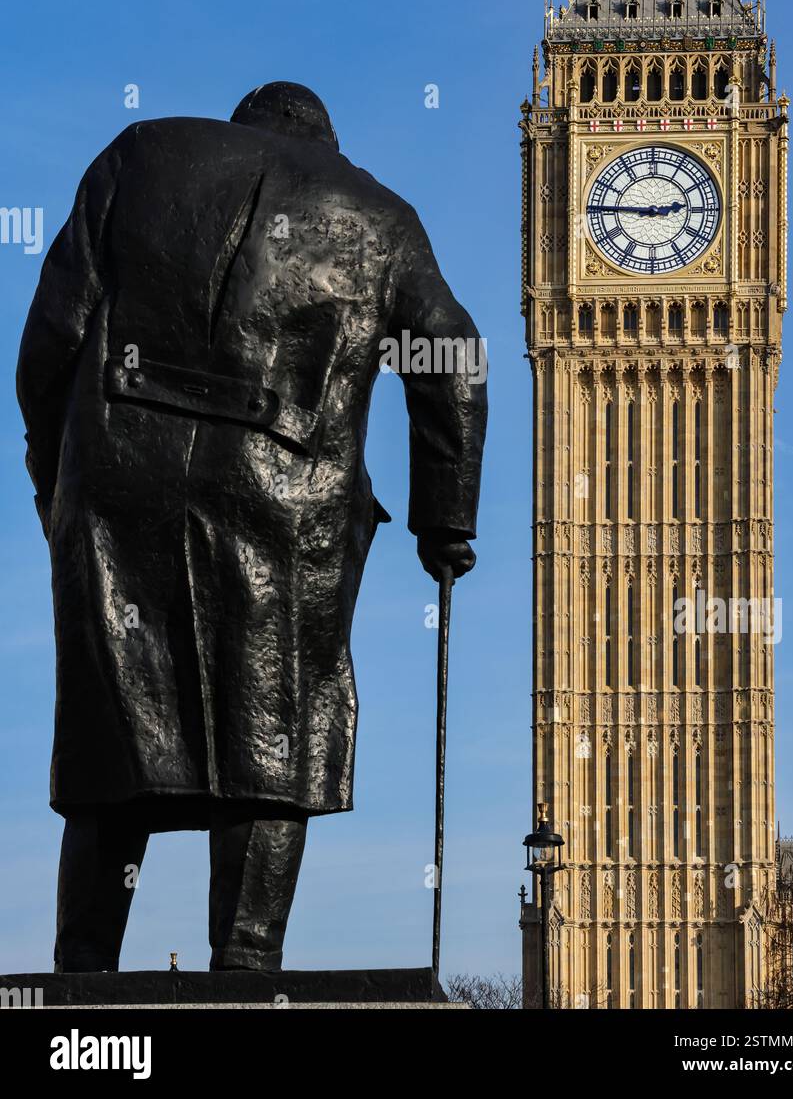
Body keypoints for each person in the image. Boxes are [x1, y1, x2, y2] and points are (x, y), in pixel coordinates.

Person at [17, 82, 487, 972]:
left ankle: (81, 971)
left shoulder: (138, 154)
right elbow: (452, 361)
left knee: (115, 722)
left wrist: (57, 477)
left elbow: (49, 339)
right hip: (289, 497)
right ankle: (244, 966)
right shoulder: (378, 216)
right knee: (277, 722)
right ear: (326, 141)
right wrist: (445, 523)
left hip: (118, 477)